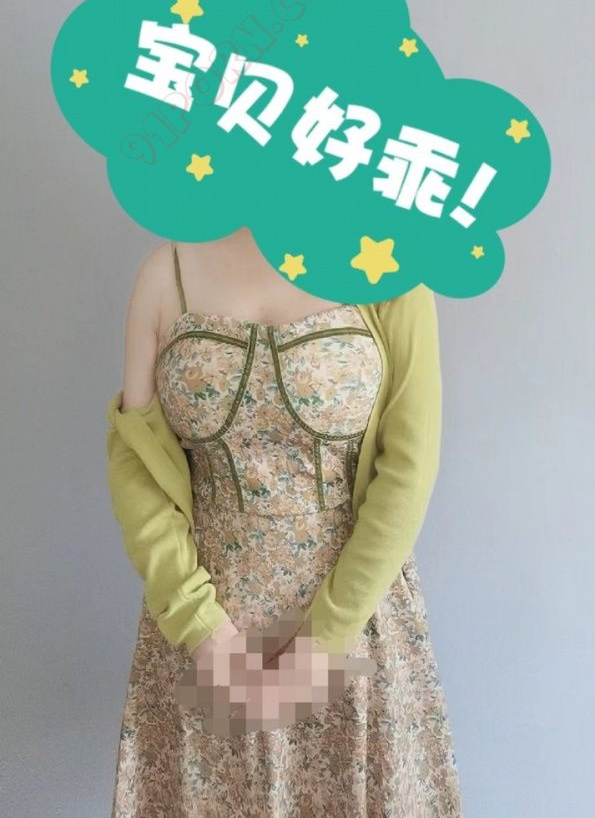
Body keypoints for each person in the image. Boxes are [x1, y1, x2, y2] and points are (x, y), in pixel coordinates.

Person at [107, 228, 463, 816]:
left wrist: (322, 645)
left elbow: (409, 467)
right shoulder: (168, 270)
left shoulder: (393, 268)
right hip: (204, 630)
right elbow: (135, 456)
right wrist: (202, 629)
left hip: (354, 625)